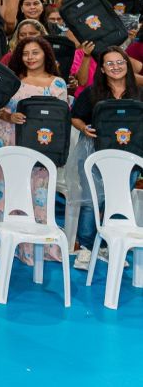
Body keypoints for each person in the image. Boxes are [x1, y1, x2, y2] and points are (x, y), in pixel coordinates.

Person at [0, 36, 68, 265]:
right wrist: (8, 116)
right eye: (25, 53)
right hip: (5, 139)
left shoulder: (57, 84)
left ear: (46, 54)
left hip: (39, 145)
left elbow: (59, 118)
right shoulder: (11, 79)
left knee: (35, 189)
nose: (30, 58)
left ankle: (32, 246)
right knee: (2, 188)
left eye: (35, 53)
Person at [69, 45, 139, 269]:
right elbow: (75, 117)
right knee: (91, 202)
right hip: (94, 154)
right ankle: (86, 248)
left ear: (127, 65)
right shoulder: (92, 92)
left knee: (118, 201)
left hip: (129, 157)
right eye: (109, 63)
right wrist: (84, 128)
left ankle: (111, 246)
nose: (115, 67)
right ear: (102, 69)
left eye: (120, 62)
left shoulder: (139, 91)